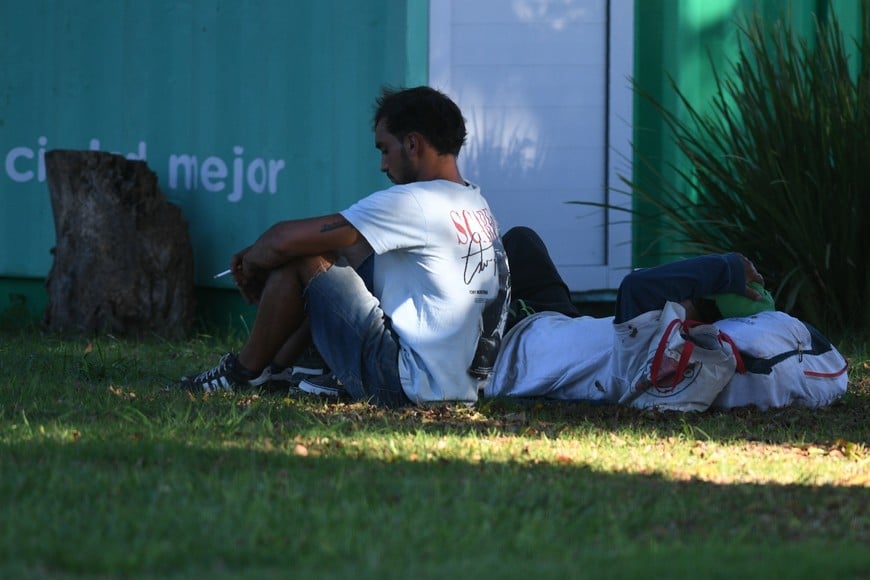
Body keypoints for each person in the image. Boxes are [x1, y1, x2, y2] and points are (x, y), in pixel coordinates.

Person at [182, 86, 510, 407]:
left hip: (407, 385)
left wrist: (250, 263)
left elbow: (283, 241)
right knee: (345, 250)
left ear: (412, 144)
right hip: (459, 386)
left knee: (307, 257)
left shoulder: (416, 201)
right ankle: (279, 368)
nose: (383, 165)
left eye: (385, 150)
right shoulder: (474, 201)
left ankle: (242, 372)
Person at [487, 226, 847, 411]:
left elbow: (637, 286)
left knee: (498, 258)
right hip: (557, 318)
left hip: (507, 347)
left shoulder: (651, 351)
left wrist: (726, 269)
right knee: (522, 240)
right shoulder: (662, 334)